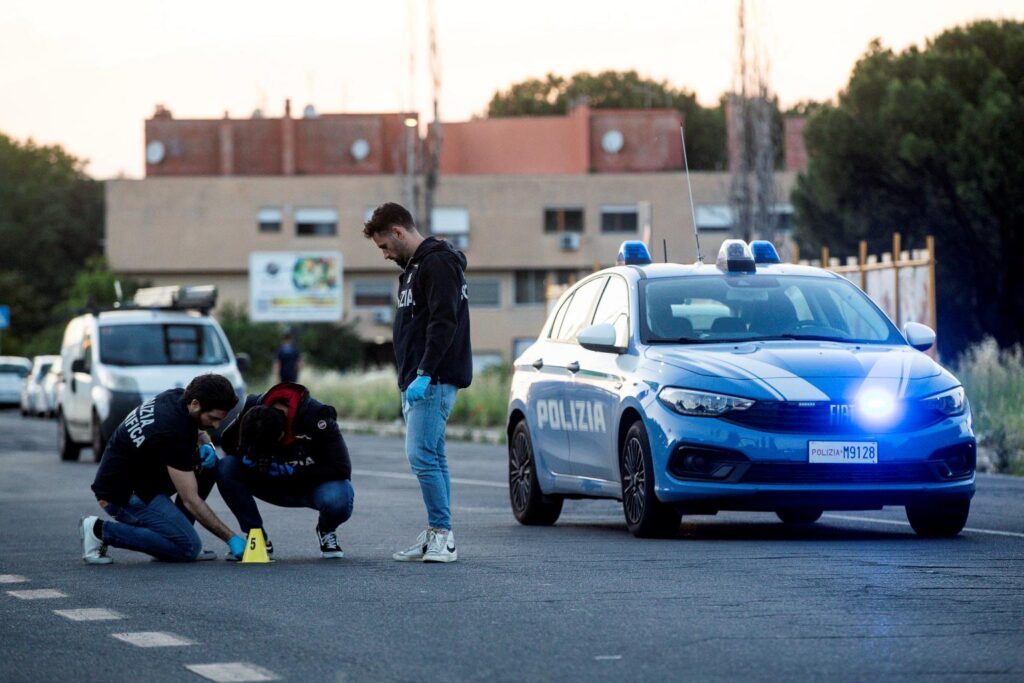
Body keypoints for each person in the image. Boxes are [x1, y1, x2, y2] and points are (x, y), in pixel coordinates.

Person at [363, 202, 472, 563]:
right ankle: (437, 532)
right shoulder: (413, 268)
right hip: (417, 378)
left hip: (433, 377)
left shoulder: (438, 263)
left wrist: (424, 372)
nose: (384, 254)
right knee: (433, 456)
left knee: (421, 455)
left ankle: (443, 536)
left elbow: (444, 322)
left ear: (398, 231)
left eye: (384, 246)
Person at [81, 374, 246, 564]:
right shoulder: (172, 432)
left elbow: (199, 430)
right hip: (121, 496)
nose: (216, 425)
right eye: (213, 418)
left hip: (142, 480)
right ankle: (98, 530)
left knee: (208, 469)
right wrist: (230, 538)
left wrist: (207, 444)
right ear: (195, 404)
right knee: (188, 548)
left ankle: (174, 537)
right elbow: (190, 500)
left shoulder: (177, 397)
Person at [217, 382, 353, 559]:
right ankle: (257, 536)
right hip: (268, 482)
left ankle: (326, 530)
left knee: (339, 497)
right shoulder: (254, 407)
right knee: (225, 467)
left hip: (309, 485)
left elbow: (342, 468)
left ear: (283, 434)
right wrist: (247, 453)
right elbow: (226, 442)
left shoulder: (318, 417)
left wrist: (293, 471)